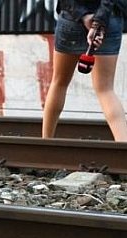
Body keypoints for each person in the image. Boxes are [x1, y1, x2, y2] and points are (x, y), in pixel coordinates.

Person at [42, 0, 127, 141]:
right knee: (105, 89)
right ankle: (124, 150)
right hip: (108, 19)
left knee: (59, 83)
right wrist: (98, 21)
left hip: (72, 19)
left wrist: (84, 16)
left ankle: (45, 144)